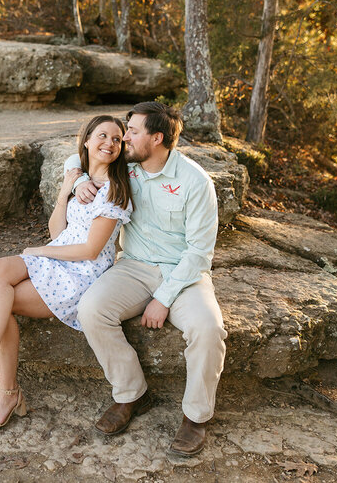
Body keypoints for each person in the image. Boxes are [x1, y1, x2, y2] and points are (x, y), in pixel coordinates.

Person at [0, 115, 133, 431]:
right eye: (102, 135)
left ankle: (4, 392)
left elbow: (90, 250)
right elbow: (58, 231)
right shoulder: (81, 181)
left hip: (79, 274)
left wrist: (41, 251)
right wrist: (66, 190)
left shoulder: (115, 192)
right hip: (58, 259)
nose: (110, 143)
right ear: (87, 140)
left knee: (1, 301)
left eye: (117, 139)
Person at [66, 101, 226, 457]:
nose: (124, 138)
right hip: (133, 266)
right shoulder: (125, 165)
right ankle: (132, 394)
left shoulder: (195, 181)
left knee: (208, 329)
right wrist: (78, 181)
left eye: (133, 132)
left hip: (183, 274)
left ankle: (196, 417)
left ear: (157, 139)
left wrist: (163, 298)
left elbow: (199, 253)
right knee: (91, 309)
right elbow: (76, 157)